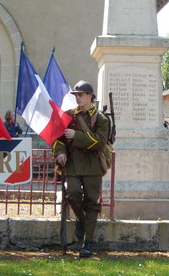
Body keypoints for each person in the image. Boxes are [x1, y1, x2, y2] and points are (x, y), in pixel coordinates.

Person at [53, 80, 108, 258]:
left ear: (90, 96)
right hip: (73, 164)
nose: (77, 98)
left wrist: (76, 135)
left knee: (92, 203)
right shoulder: (68, 115)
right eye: (76, 95)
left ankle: (87, 243)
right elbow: (58, 139)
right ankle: (83, 222)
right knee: (73, 195)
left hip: (92, 165)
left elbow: (99, 142)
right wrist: (60, 152)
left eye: (81, 95)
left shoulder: (101, 119)